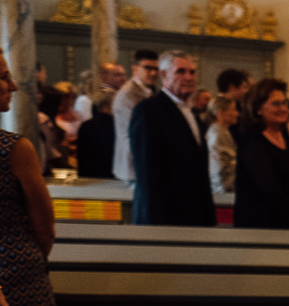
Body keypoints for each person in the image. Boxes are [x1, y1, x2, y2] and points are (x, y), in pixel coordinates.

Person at [0, 44, 56, 306]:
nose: (14, 86)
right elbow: (44, 227)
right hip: (16, 275)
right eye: (4, 77)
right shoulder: (12, 148)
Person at [128, 50, 215, 226]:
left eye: (192, 72)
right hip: (165, 218)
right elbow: (148, 174)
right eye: (180, 71)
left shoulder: (192, 113)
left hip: (194, 216)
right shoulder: (148, 111)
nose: (189, 77)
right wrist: (156, 227)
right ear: (164, 75)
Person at [233, 79, 289, 229]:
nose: (283, 108)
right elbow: (269, 187)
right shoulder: (252, 141)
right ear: (258, 108)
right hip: (261, 225)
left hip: (288, 222)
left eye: (285, 103)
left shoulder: (285, 137)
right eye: (276, 103)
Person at [112, 48, 159, 182]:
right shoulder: (128, 95)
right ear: (135, 69)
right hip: (133, 166)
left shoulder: (149, 90)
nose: (153, 73)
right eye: (148, 68)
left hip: (144, 162)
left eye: (156, 69)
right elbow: (135, 134)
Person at [74, 88, 117, 179]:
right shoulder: (116, 125)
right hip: (111, 178)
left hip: (88, 177)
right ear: (107, 105)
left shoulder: (86, 125)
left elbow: (81, 156)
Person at [206, 94, 240, 193]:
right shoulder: (219, 134)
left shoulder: (219, 131)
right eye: (233, 110)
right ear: (220, 113)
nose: (237, 114)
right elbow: (223, 168)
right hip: (223, 191)